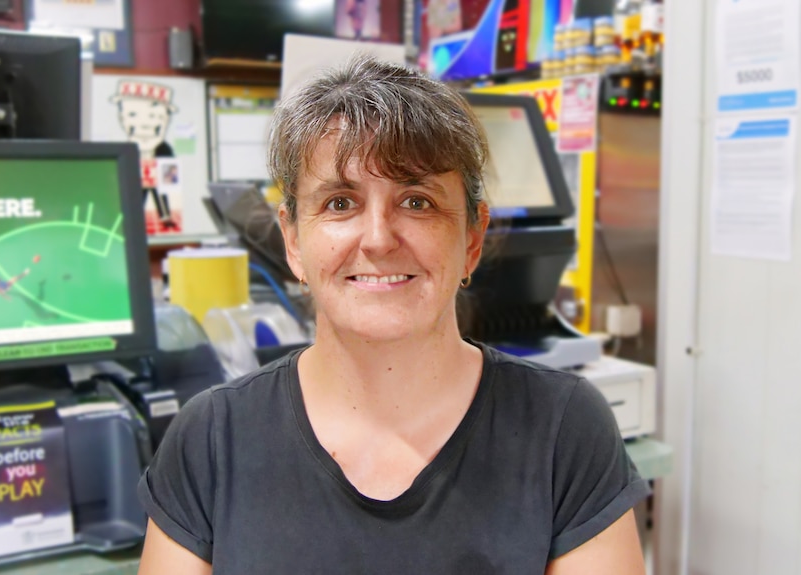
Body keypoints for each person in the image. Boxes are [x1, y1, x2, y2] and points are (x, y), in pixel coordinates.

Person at [136, 56, 650, 574]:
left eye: (417, 201)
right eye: (340, 203)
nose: (379, 239)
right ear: (293, 240)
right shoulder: (210, 439)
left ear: (471, 239)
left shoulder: (564, 429)